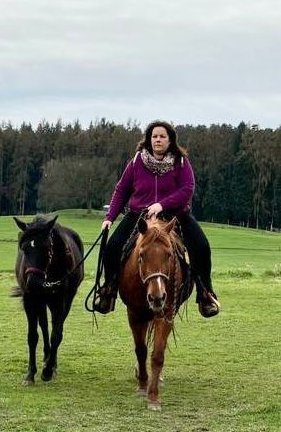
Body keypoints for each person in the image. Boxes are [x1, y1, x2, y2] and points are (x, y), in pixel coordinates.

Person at [94, 120, 220, 317]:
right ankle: (108, 290)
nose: (158, 140)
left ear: (170, 140)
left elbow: (187, 189)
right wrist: (110, 217)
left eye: (162, 136)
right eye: (154, 136)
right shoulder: (136, 161)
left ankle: (205, 294)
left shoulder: (180, 162)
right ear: (148, 140)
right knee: (112, 246)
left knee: (201, 246)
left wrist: (163, 204)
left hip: (175, 216)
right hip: (139, 216)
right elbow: (122, 189)